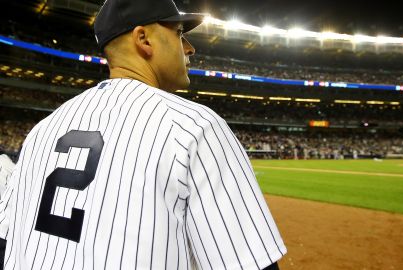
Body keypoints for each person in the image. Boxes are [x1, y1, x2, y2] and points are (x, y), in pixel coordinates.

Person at [0, 0, 286, 269]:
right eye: (179, 33)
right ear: (143, 39)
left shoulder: (42, 131)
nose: (189, 48)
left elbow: (8, 248)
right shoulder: (193, 127)